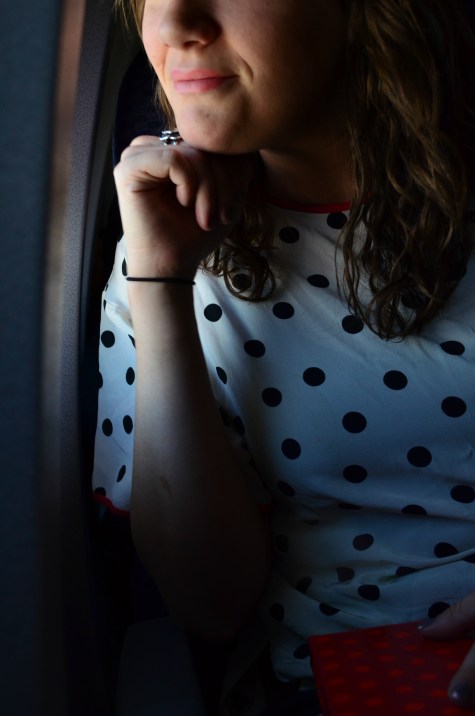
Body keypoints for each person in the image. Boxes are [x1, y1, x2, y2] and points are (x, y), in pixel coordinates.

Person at [92, 0, 475, 713]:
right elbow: (209, 606)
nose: (174, 25)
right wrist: (162, 282)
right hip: (340, 682)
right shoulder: (157, 254)